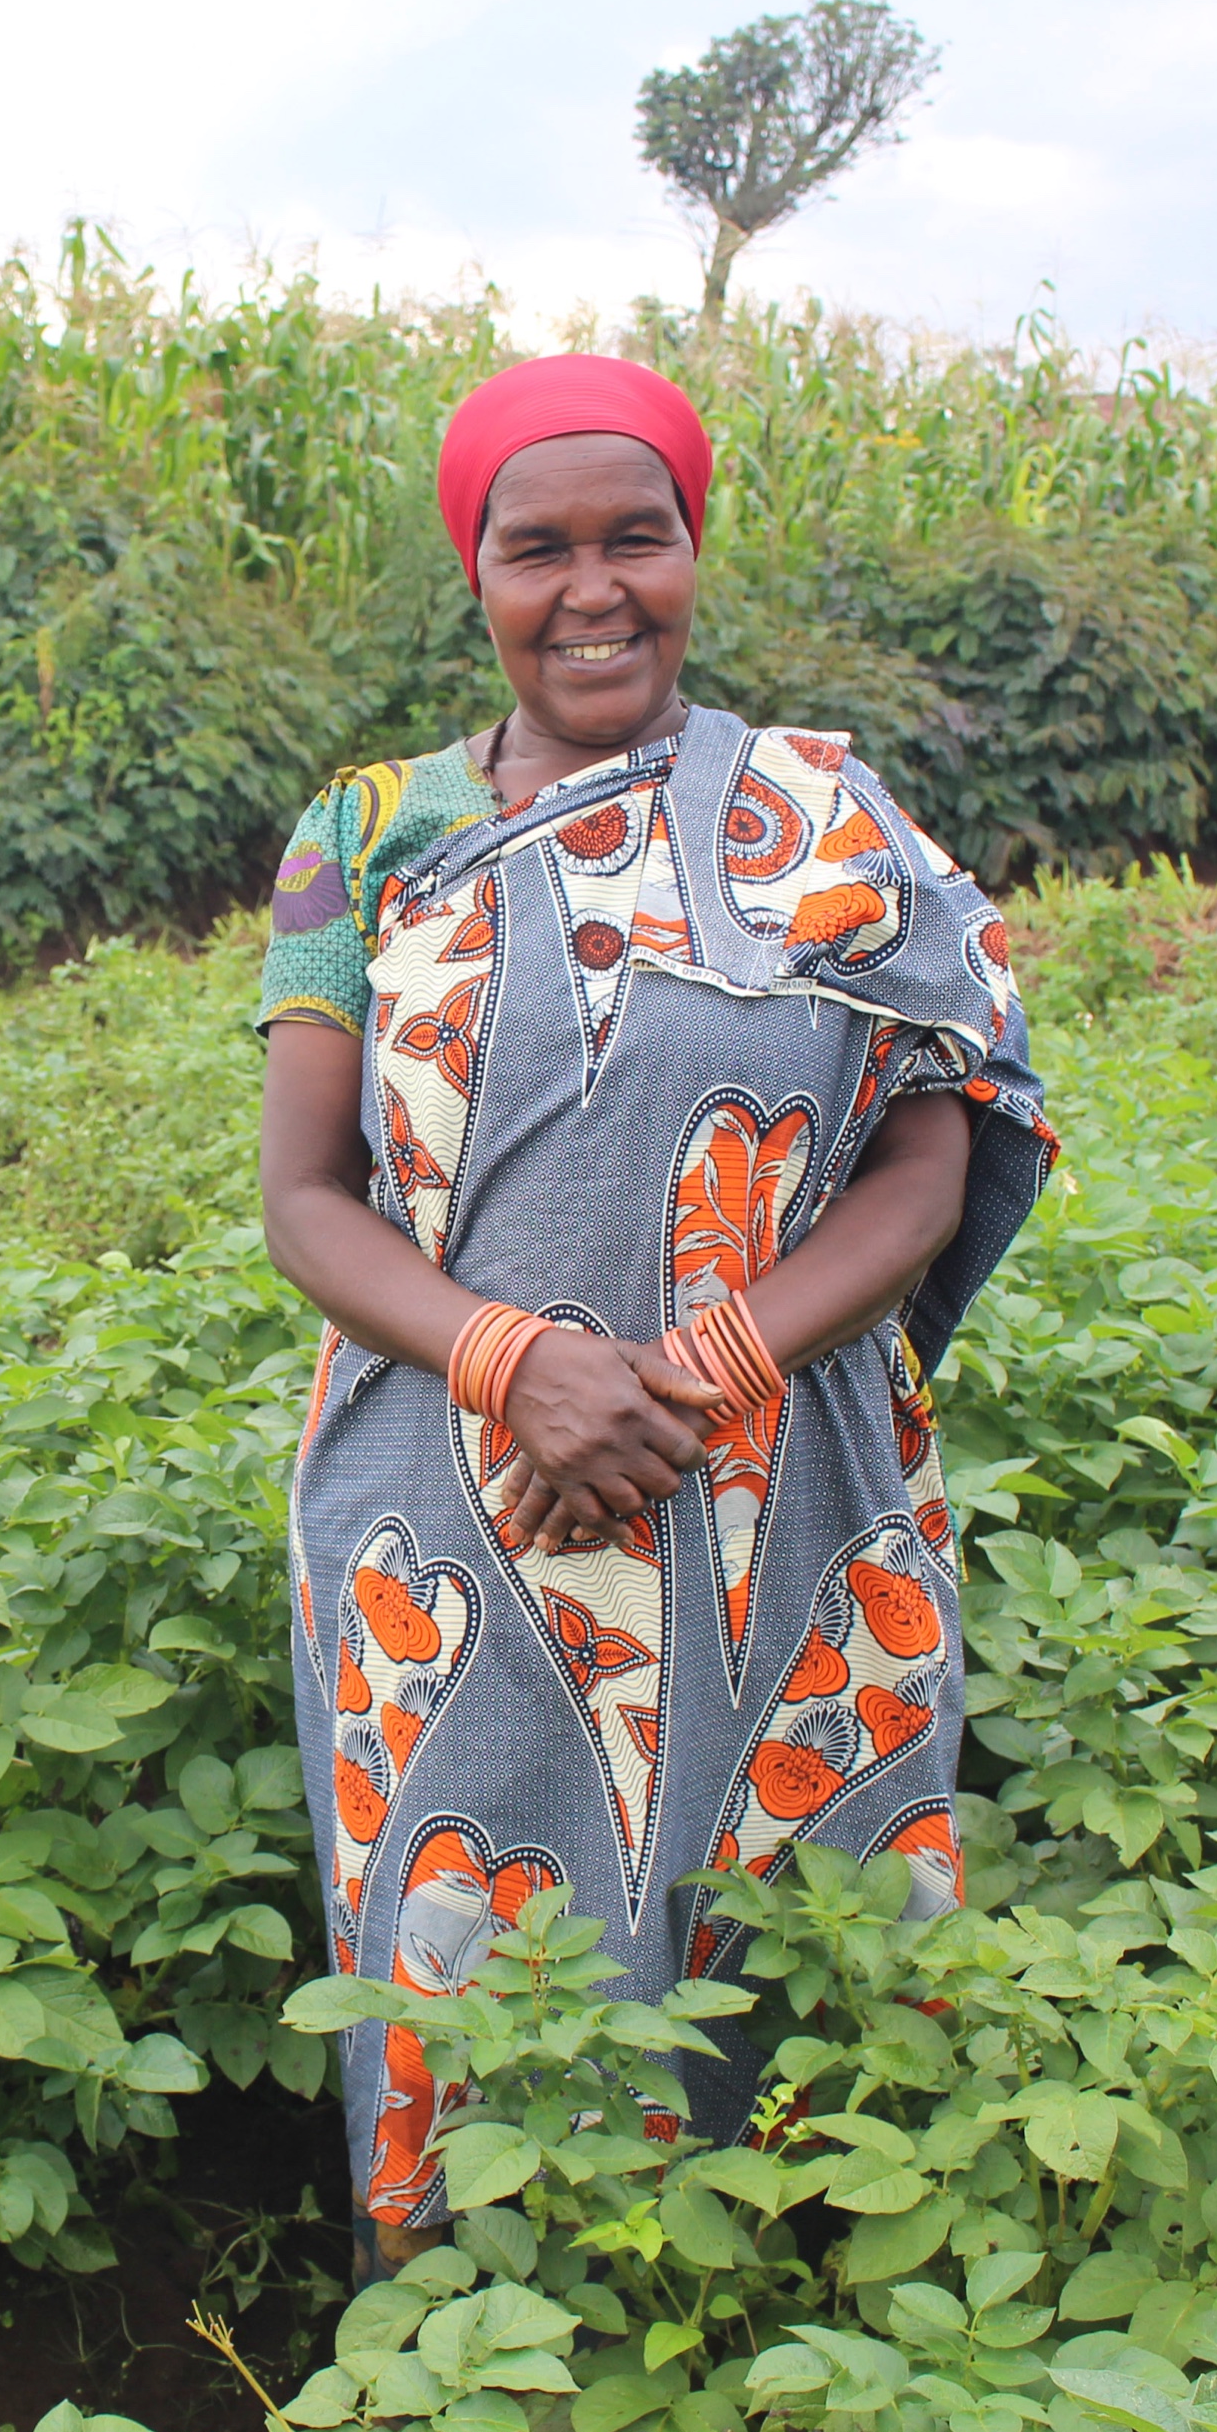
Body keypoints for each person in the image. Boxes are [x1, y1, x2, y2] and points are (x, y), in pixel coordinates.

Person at [255, 353, 1056, 2277]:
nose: (594, 587)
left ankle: (797, 2361)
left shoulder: (827, 814)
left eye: (641, 536)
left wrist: (700, 1368)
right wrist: (517, 1361)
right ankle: (475, 2379)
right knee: (473, 1946)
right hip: (455, 1502)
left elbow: (931, 1161)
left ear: (695, 549)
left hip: (774, 1484)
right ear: (477, 571)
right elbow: (303, 1197)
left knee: (795, 1923)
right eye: (540, 547)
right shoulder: (362, 836)